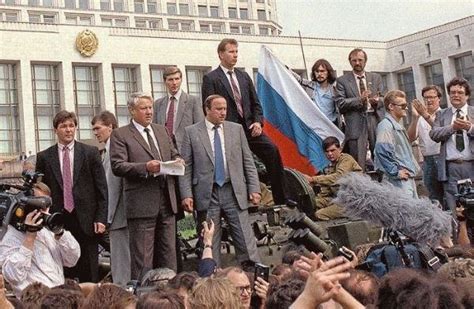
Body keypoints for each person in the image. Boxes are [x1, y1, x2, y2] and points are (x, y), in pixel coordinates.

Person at [202, 38, 288, 205]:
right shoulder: (211, 78)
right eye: (231, 52)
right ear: (221, 54)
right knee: (237, 166)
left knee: (272, 150)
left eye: (236, 52)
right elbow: (208, 108)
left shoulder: (243, 76)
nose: (235, 55)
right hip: (228, 131)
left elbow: (256, 103)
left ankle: (281, 199)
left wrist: (257, 122)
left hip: (250, 129)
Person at [179, 94, 261, 267]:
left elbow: (248, 161)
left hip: (234, 192)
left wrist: (254, 188)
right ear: (207, 109)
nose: (223, 112)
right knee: (209, 243)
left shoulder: (236, 129)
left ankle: (254, 280)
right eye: (218, 109)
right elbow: (186, 167)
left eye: (225, 109)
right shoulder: (192, 132)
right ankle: (212, 283)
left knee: (246, 242)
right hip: (207, 195)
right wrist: (186, 194)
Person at [110, 92, 182, 279]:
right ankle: (144, 297)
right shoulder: (121, 134)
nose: (149, 112)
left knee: (169, 256)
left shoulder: (162, 130)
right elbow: (118, 166)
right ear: (132, 111)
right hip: (141, 204)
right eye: (144, 108)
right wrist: (145, 167)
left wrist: (177, 160)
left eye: (150, 107)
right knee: (143, 259)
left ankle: (171, 298)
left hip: (167, 201)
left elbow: (173, 153)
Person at [36, 110, 107, 282]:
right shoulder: (44, 157)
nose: (68, 130)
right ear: (55, 130)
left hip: (86, 221)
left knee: (90, 272)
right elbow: (40, 190)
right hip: (58, 221)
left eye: (71, 126)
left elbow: (102, 189)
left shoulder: (90, 153)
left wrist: (101, 218)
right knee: (63, 271)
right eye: (63, 126)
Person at [0, 182, 80, 298]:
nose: (44, 211)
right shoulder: (11, 235)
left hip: (59, 298)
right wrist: (29, 238)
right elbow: (13, 276)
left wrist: (60, 233)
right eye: (39, 205)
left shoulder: (47, 230)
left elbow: (72, 260)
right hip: (34, 302)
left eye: (47, 206)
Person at [92, 111, 131, 286]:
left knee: (121, 262)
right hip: (119, 215)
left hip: (119, 216)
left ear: (110, 126)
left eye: (98, 128)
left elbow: (113, 186)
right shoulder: (107, 150)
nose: (95, 132)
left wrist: (106, 217)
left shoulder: (114, 148)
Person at [335, 48, 385, 170]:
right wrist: (360, 99)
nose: (357, 63)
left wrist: (376, 101)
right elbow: (340, 104)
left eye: (360, 60)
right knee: (357, 163)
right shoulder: (342, 81)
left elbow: (385, 99)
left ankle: (384, 184)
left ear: (365, 61)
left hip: (374, 120)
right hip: (355, 124)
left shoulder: (376, 78)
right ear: (350, 62)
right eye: (354, 60)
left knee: (381, 157)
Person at [430, 77, 473, 214]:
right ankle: (459, 234)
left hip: (471, 165)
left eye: (460, 92)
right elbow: (434, 134)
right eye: (452, 92)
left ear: (467, 95)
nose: (455, 95)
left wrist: (470, 128)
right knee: (456, 210)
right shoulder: (442, 114)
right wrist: (452, 128)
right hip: (451, 168)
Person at [303, 136, 362, 220]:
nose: (330, 154)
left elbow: (339, 177)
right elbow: (326, 190)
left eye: (332, 150)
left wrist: (313, 179)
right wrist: (313, 201)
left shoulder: (346, 159)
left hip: (352, 201)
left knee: (319, 215)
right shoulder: (330, 168)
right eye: (327, 151)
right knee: (308, 205)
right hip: (337, 198)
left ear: (340, 149)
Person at [374, 90, 420, 198]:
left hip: (404, 178)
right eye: (403, 105)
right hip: (398, 181)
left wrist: (415, 118)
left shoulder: (394, 125)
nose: (406, 108)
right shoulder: (386, 126)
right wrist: (396, 172)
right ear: (391, 106)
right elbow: (381, 151)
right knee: (405, 212)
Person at [407, 85, 444, 205]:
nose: (429, 100)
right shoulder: (420, 117)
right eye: (426, 97)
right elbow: (411, 138)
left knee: (447, 194)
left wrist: (425, 115)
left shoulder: (445, 114)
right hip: (428, 160)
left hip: (443, 158)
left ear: (439, 99)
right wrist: (415, 118)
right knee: (433, 196)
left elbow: (440, 131)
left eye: (432, 97)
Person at [153, 66, 204, 151]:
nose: (174, 83)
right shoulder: (158, 104)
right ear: (165, 81)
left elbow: (200, 128)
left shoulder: (193, 101)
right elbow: (155, 128)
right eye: (170, 79)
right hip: (165, 149)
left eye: (177, 79)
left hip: (186, 148)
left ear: (181, 80)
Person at [290, 59, 341, 128]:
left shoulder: (335, 89)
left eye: (322, 71)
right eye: (317, 71)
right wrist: (283, 66)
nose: (319, 74)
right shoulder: (310, 86)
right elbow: (298, 79)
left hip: (332, 126)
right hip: (314, 127)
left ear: (328, 72)